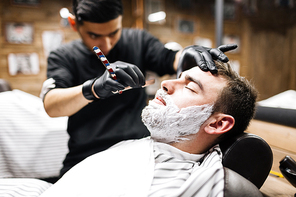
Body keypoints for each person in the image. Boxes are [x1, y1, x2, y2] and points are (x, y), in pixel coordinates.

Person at [40, 0, 237, 177]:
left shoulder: (138, 40)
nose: (106, 44)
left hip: (136, 154)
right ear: (75, 25)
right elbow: (51, 105)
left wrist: (187, 54)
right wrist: (93, 88)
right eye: (94, 35)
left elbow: (170, 59)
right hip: (84, 158)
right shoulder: (63, 56)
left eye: (113, 33)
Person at [40, 60, 257, 197]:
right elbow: (50, 104)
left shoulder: (176, 184)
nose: (166, 84)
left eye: (190, 87)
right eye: (178, 77)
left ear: (217, 124)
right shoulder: (144, 148)